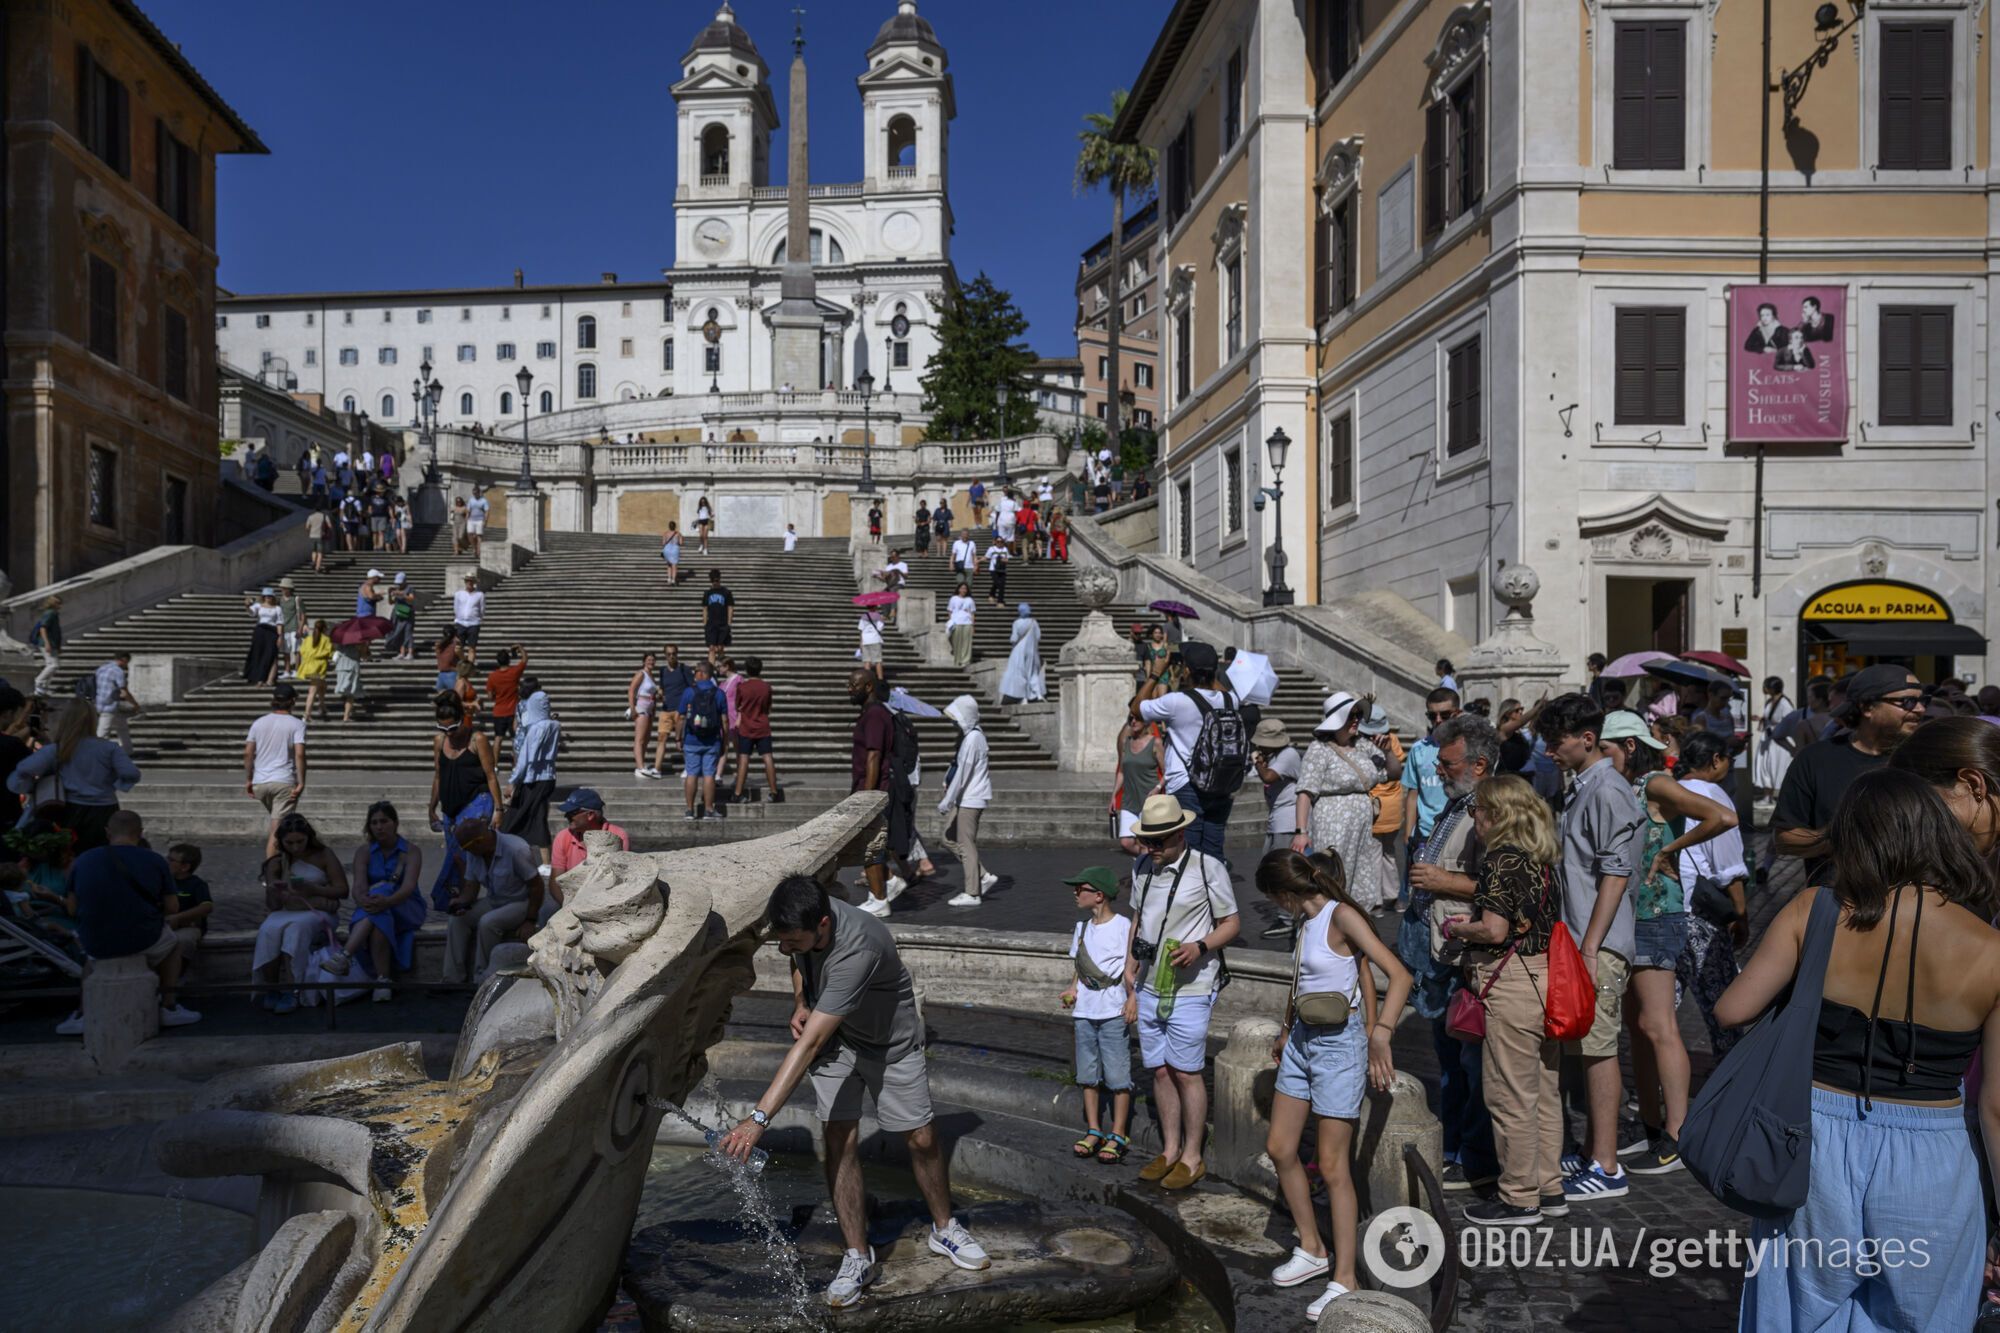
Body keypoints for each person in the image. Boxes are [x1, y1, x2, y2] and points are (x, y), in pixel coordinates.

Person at [1721, 768, 2000, 1332]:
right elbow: (1996, 1105)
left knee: (1799, 1310)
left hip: (1815, 1138)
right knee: (1925, 1315)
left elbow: (1732, 1010)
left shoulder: (1815, 909)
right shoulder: (1990, 949)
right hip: (1933, 1154)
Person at [717, 876, 990, 1309]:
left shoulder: (858, 947)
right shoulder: (802, 928)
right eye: (780, 941)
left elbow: (806, 1047)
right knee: (838, 1135)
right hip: (838, 1040)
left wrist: (758, 1120)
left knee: (921, 1136)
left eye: (793, 941)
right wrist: (801, 1001)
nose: (785, 948)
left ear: (824, 924)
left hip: (890, 1044)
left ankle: (944, 1227)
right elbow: (800, 961)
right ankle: (857, 1255)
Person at [1258, 847, 1411, 1316]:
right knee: (1281, 1147)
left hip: (1339, 1048)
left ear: (1284, 893)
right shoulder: (1304, 925)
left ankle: (1344, 1277)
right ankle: (1311, 1248)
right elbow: (1303, 980)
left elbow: (1398, 975)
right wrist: (1287, 1029)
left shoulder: (1341, 916)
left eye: (1271, 897)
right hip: (1303, 1041)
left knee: (1332, 1165)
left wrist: (1379, 1032)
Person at [1598, 710, 1736, 1177]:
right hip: (1630, 914)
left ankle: (1680, 1132)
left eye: (1607, 748)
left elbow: (1722, 816)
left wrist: (1669, 851)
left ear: (1630, 746)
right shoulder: (1622, 786)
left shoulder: (1655, 783)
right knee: (1638, 1027)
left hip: (1657, 914)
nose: (1602, 757)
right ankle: (1654, 1125)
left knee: (1658, 1025)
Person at [1438, 774, 1565, 1225]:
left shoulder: (1501, 859)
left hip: (1509, 982)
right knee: (1544, 1091)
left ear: (1496, 814)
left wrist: (1457, 928)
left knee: (1510, 1094)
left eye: (1479, 811)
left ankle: (1517, 1196)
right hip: (1546, 978)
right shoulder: (1541, 857)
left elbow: (1494, 930)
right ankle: (1549, 1187)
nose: (1474, 818)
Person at [1535, 694, 1645, 1203]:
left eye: (1555, 742)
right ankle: (1590, 1151)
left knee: (1600, 1050)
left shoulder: (1608, 790)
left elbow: (1616, 874)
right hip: (1579, 939)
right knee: (1585, 1048)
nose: (1549, 751)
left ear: (1585, 738)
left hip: (1594, 942)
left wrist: (1591, 946)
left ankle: (1607, 1164)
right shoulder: (1584, 786)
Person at [1398, 712, 1502, 1192]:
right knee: (1451, 1058)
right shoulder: (1457, 803)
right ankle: (1457, 1143)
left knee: (1470, 1061)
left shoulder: (1492, 810)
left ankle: (1475, 1156)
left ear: (1479, 765)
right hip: (1440, 950)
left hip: (1469, 953)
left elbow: (1507, 887)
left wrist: (1443, 881)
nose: (1438, 771)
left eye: (1448, 762)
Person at [1122, 793, 1242, 1190]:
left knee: (1187, 1072)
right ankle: (1170, 1149)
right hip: (1150, 983)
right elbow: (1137, 920)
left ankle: (1194, 1155)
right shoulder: (1142, 866)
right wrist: (1129, 963)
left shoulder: (1207, 868)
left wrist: (1201, 947)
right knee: (1159, 1070)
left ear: (1179, 833)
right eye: (1146, 840)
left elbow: (1231, 923)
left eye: (1158, 841)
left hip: (1191, 986)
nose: (1150, 848)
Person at [1773, 663, 1924, 885]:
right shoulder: (1815, 759)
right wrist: (1838, 838)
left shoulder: (1927, 759)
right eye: (1907, 702)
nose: (1920, 709)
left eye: (1922, 701)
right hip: (1838, 903)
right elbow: (1784, 839)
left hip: (1913, 906)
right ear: (1867, 707)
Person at [65, 811, 201, 1029]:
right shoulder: (155, 861)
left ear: (107, 832)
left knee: (92, 958)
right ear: (140, 833)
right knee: (173, 945)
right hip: (143, 938)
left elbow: (72, 908)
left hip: (96, 939)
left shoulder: (83, 860)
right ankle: (168, 1004)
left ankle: (81, 1012)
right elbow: (172, 907)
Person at [1670, 730, 1750, 1057]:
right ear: (1715, 760)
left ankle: (1652, 1085)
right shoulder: (1711, 794)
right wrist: (1741, 917)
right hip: (1699, 917)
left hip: (1662, 912)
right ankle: (1729, 1083)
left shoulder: (1666, 790)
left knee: (1660, 1014)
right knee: (1722, 1009)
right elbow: (1728, 868)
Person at [1135, 641, 1244, 861]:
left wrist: (1156, 674)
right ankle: (1214, 891)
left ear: (1186, 670)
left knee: (1189, 852)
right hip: (1220, 783)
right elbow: (1220, 690)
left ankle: (1190, 892)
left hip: (1186, 783)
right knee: (1213, 852)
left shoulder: (1176, 702)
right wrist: (1211, 674)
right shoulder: (1230, 699)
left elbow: (1136, 708)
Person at [1060, 866, 1134, 1163]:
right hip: (1085, 1011)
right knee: (1087, 1074)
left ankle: (1118, 1132)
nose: (1075, 893)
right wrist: (1072, 987)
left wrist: (1133, 1000)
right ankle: (1093, 1128)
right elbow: (1079, 966)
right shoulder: (1081, 928)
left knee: (1117, 1075)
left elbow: (1132, 968)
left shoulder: (1124, 926)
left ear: (1099, 896)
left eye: (1081, 889)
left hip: (1113, 1010)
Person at [7, 694, 140, 851]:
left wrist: (31, 785)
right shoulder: (108, 748)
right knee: (99, 853)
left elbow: (25, 769)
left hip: (70, 808)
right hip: (104, 808)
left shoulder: (58, 749)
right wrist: (114, 784)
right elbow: (132, 774)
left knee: (68, 854)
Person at [1294, 693, 1389, 910]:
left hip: (1362, 826)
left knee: (1360, 872)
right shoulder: (1320, 748)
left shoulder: (1363, 745)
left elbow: (1390, 772)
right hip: (1333, 822)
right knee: (1333, 871)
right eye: (1351, 715)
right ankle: (1327, 921)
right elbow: (1305, 792)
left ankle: (1353, 921)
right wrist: (1301, 831)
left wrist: (1388, 752)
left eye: (1358, 714)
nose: (1356, 719)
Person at [252, 813, 348, 1014]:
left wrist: (313, 888)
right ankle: (271, 987)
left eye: (300, 842)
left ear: (308, 837)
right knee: (268, 929)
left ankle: (293, 990)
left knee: (296, 930)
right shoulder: (278, 862)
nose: (295, 847)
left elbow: (342, 890)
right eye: (289, 843)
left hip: (318, 911)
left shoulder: (324, 855)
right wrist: (273, 888)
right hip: (288, 910)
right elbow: (273, 906)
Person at [330, 801, 424, 1002]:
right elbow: (358, 886)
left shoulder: (411, 851)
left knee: (382, 899)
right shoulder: (364, 852)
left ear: (395, 823)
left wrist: (387, 901)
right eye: (374, 822)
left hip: (405, 905)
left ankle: (345, 954)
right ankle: (383, 980)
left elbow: (408, 888)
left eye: (384, 821)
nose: (379, 827)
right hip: (374, 907)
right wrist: (364, 900)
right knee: (379, 919)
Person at [441, 818, 543, 985]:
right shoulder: (474, 852)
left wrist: (530, 920)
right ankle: (452, 978)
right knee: (457, 920)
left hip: (521, 902)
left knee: (488, 922)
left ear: (480, 841)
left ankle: (482, 978)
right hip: (495, 900)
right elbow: (471, 888)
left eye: (467, 848)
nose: (467, 852)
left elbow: (536, 886)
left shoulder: (516, 849)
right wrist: (460, 902)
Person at [426, 691, 503, 906]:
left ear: (461, 721)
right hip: (450, 807)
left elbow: (491, 775)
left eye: (451, 728)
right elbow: (438, 775)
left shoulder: (477, 739)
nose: (448, 733)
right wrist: (431, 806)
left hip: (476, 801)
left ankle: (457, 898)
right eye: (442, 728)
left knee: (463, 853)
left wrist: (499, 809)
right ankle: (460, 903)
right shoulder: (439, 741)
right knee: (457, 857)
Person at [1400, 688, 1461, 891]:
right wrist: (1408, 833)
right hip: (1425, 833)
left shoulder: (1467, 748)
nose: (1438, 720)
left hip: (1457, 831)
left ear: (1457, 714)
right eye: (1432, 715)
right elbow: (1413, 793)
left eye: (1445, 715)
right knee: (1420, 891)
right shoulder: (1418, 749)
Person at [937, 695, 991, 908]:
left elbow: (963, 774)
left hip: (971, 798)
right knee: (948, 838)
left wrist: (947, 801)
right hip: (966, 797)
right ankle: (983, 876)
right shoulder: (971, 737)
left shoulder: (973, 739)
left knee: (965, 844)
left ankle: (972, 892)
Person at [501, 688, 561, 870]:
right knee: (538, 816)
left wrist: (512, 781)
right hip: (548, 777)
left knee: (514, 818)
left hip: (532, 779)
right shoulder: (555, 725)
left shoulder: (535, 729)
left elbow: (526, 759)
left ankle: (508, 855)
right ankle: (545, 862)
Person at [244, 684, 308, 830]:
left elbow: (248, 753)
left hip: (260, 782)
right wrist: (301, 782)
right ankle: (272, 853)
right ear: (292, 701)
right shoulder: (298, 724)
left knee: (280, 828)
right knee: (278, 830)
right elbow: (299, 754)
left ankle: (280, 853)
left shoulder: (258, 723)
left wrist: (249, 779)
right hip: (284, 781)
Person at [1361, 706, 1407, 898]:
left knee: (1372, 852)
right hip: (1393, 804)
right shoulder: (1392, 740)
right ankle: (1392, 894)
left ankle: (1376, 897)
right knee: (1388, 852)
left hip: (1374, 804)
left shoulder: (1361, 745)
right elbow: (1398, 768)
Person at [680, 661, 727, 821]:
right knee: (709, 775)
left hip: (691, 739)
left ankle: (689, 810)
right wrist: (725, 740)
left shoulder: (688, 692)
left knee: (691, 773)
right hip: (712, 741)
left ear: (701, 673)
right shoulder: (719, 693)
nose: (694, 675)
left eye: (695, 672)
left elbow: (680, 717)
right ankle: (708, 810)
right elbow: (725, 721)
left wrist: (678, 737)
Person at [1251, 717, 1303, 863]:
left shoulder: (1288, 754)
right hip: (1277, 819)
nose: (1259, 747)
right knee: (1269, 863)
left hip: (1288, 821)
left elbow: (1268, 777)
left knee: (1281, 865)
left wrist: (1258, 763)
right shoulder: (1275, 756)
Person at [550, 788, 630, 881]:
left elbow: (618, 879)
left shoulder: (618, 836)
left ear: (590, 815)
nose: (566, 816)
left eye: (572, 813)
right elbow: (556, 881)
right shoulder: (563, 837)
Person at [731, 656, 779, 804]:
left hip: (746, 727)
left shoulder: (742, 687)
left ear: (746, 669)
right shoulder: (766, 687)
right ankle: (774, 791)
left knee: (744, 759)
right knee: (768, 757)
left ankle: (738, 792)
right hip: (763, 726)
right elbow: (768, 708)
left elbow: (737, 706)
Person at [164, 842, 212, 974]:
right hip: (165, 925)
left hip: (188, 926)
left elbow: (207, 906)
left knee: (182, 941)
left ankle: (178, 976)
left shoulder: (197, 884)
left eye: (171, 860)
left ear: (185, 867)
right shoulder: (164, 880)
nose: (166, 862)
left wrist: (179, 917)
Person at [649, 645, 697, 778]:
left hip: (680, 710)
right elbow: (663, 687)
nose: (671, 657)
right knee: (661, 738)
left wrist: (688, 705)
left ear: (677, 654)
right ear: (665, 655)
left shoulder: (684, 669)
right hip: (666, 709)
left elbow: (692, 687)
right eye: (668, 654)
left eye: (674, 654)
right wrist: (660, 694)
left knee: (683, 740)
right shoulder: (663, 671)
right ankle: (657, 769)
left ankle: (689, 768)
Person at [483, 647, 528, 755]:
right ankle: (516, 765)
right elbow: (525, 659)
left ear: (498, 661)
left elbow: (489, 696)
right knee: (514, 739)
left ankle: (495, 766)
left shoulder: (492, 676)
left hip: (499, 711)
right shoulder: (514, 672)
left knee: (498, 738)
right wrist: (520, 647)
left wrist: (497, 696)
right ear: (508, 660)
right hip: (513, 712)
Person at [1000, 604, 1045, 704]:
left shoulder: (1017, 622)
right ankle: (1038, 694)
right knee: (1033, 673)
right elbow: (1038, 636)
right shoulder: (1034, 622)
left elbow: (1014, 638)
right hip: (1032, 651)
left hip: (1019, 650)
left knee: (1019, 673)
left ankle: (1023, 697)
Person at [628, 651, 662, 779]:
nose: (651, 662)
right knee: (640, 738)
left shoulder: (651, 675)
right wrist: (633, 708)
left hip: (650, 708)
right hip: (642, 706)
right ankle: (639, 767)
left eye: (653, 660)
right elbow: (631, 690)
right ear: (644, 661)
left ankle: (641, 763)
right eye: (649, 660)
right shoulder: (641, 674)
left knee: (646, 739)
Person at [241, 590, 284, 687]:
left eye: (270, 596)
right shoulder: (258, 606)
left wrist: (280, 636)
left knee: (271, 655)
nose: (268, 597)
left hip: (272, 632)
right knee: (258, 653)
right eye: (266, 596)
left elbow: (280, 623)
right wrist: (247, 606)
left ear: (273, 597)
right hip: (260, 631)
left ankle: (270, 679)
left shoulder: (277, 608)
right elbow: (252, 613)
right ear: (263, 597)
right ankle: (259, 678)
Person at [29, 596, 61, 697]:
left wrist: (58, 646)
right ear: (53, 603)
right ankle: (38, 681)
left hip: (53, 643)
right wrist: (47, 643)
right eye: (58, 603)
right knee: (53, 665)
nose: (60, 605)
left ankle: (44, 687)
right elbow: (43, 628)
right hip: (46, 643)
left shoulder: (54, 614)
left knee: (53, 665)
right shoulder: (50, 613)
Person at [332, 639, 369, 724]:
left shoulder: (342, 641)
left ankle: (348, 710)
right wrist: (365, 647)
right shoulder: (360, 642)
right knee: (351, 693)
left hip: (341, 666)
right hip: (352, 666)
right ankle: (346, 716)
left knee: (345, 690)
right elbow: (364, 657)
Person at [944, 582, 977, 668]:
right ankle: (957, 660)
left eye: (965, 588)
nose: (963, 590)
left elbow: (972, 613)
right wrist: (951, 621)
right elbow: (950, 611)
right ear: (958, 589)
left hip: (967, 623)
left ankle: (965, 661)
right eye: (962, 588)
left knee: (966, 643)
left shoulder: (970, 600)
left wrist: (973, 625)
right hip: (956, 623)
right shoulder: (953, 598)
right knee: (956, 642)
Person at [701, 569, 734, 653]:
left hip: (723, 623)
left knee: (720, 647)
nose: (715, 582)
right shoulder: (707, 593)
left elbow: (730, 607)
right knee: (711, 648)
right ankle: (711, 666)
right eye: (712, 580)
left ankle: (721, 665)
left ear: (719, 579)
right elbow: (705, 608)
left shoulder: (726, 592)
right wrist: (705, 623)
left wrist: (729, 623)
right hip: (711, 624)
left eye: (716, 580)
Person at [276, 578, 305, 671]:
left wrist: (300, 629)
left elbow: (303, 615)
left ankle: (297, 669)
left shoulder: (296, 599)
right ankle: (287, 670)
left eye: (285, 588)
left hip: (294, 627)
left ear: (290, 589)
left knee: (296, 650)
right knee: (286, 651)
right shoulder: (279, 600)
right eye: (282, 588)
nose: (283, 590)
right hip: (284, 628)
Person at [452, 573, 485, 651]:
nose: (469, 582)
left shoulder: (480, 595)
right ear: (465, 582)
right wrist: (458, 618)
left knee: (472, 648)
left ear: (474, 582)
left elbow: (482, 610)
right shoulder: (458, 594)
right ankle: (460, 662)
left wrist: (477, 618)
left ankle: (470, 663)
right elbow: (456, 608)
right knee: (459, 647)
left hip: (474, 623)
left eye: (471, 581)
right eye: (467, 581)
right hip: (461, 623)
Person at [983, 535, 1011, 606]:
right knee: (999, 584)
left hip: (1002, 569)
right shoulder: (991, 549)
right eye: (998, 541)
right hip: (993, 569)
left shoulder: (1005, 549)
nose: (999, 543)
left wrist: (1004, 560)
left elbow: (1007, 559)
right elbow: (986, 557)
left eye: (1001, 541)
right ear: (995, 542)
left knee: (1000, 584)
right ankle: (1000, 601)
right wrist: (977, 561)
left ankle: (991, 595)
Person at [307, 507, 332, 573]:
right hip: (320, 536)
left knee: (314, 551)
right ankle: (317, 568)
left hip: (312, 536)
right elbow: (330, 526)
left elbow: (307, 527)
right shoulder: (324, 516)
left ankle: (313, 562)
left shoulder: (310, 516)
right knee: (320, 553)